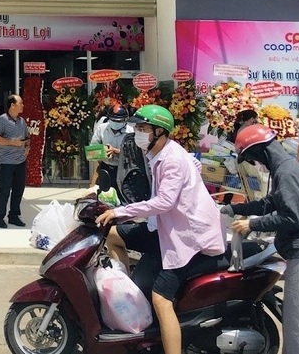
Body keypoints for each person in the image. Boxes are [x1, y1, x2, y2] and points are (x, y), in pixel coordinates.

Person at [96, 104, 225, 354]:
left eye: (143, 128)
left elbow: (165, 202)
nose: (138, 133)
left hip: (188, 239)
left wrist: (121, 212)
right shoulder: (161, 154)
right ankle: (129, 294)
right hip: (164, 228)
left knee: (161, 299)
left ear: (159, 132)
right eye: (137, 128)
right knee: (113, 236)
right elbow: (191, 168)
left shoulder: (171, 159)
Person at [221, 124, 299, 354]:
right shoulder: (285, 169)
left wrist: (251, 224)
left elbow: (290, 216)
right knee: (297, 321)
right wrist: (235, 209)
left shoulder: (286, 173)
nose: (256, 164)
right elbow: (269, 204)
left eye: (253, 158)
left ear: (261, 152)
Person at [0, 94, 30, 228]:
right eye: (20, 103)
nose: (23, 105)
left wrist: (27, 146)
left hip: (21, 161)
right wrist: (12, 142)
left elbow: (27, 137)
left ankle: (14, 215)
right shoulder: (2, 120)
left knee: (18, 190)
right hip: (7, 161)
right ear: (12, 105)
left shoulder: (22, 121)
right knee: (5, 190)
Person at [90, 104, 132, 191]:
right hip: (105, 168)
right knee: (104, 195)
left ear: (125, 120)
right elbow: (92, 150)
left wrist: (117, 151)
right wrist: (103, 151)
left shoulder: (131, 132)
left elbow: (134, 154)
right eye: (113, 120)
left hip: (124, 170)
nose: (116, 123)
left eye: (119, 121)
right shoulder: (101, 129)